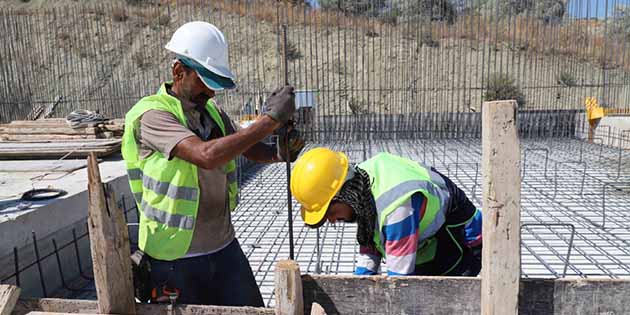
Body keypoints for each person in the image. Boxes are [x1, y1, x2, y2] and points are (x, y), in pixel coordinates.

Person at [121, 21, 304, 306]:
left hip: (223, 246)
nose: (211, 92)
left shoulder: (212, 112)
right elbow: (206, 155)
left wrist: (279, 152)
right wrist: (269, 120)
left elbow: (246, 146)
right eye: (203, 82)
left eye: (214, 84)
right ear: (178, 71)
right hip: (173, 258)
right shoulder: (152, 115)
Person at [290, 148, 482, 276]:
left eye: (329, 212)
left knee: (435, 302)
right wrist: (359, 290)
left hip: (462, 245)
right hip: (426, 241)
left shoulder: (397, 208)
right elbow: (369, 238)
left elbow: (400, 282)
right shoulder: (360, 181)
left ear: (345, 195)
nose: (331, 221)